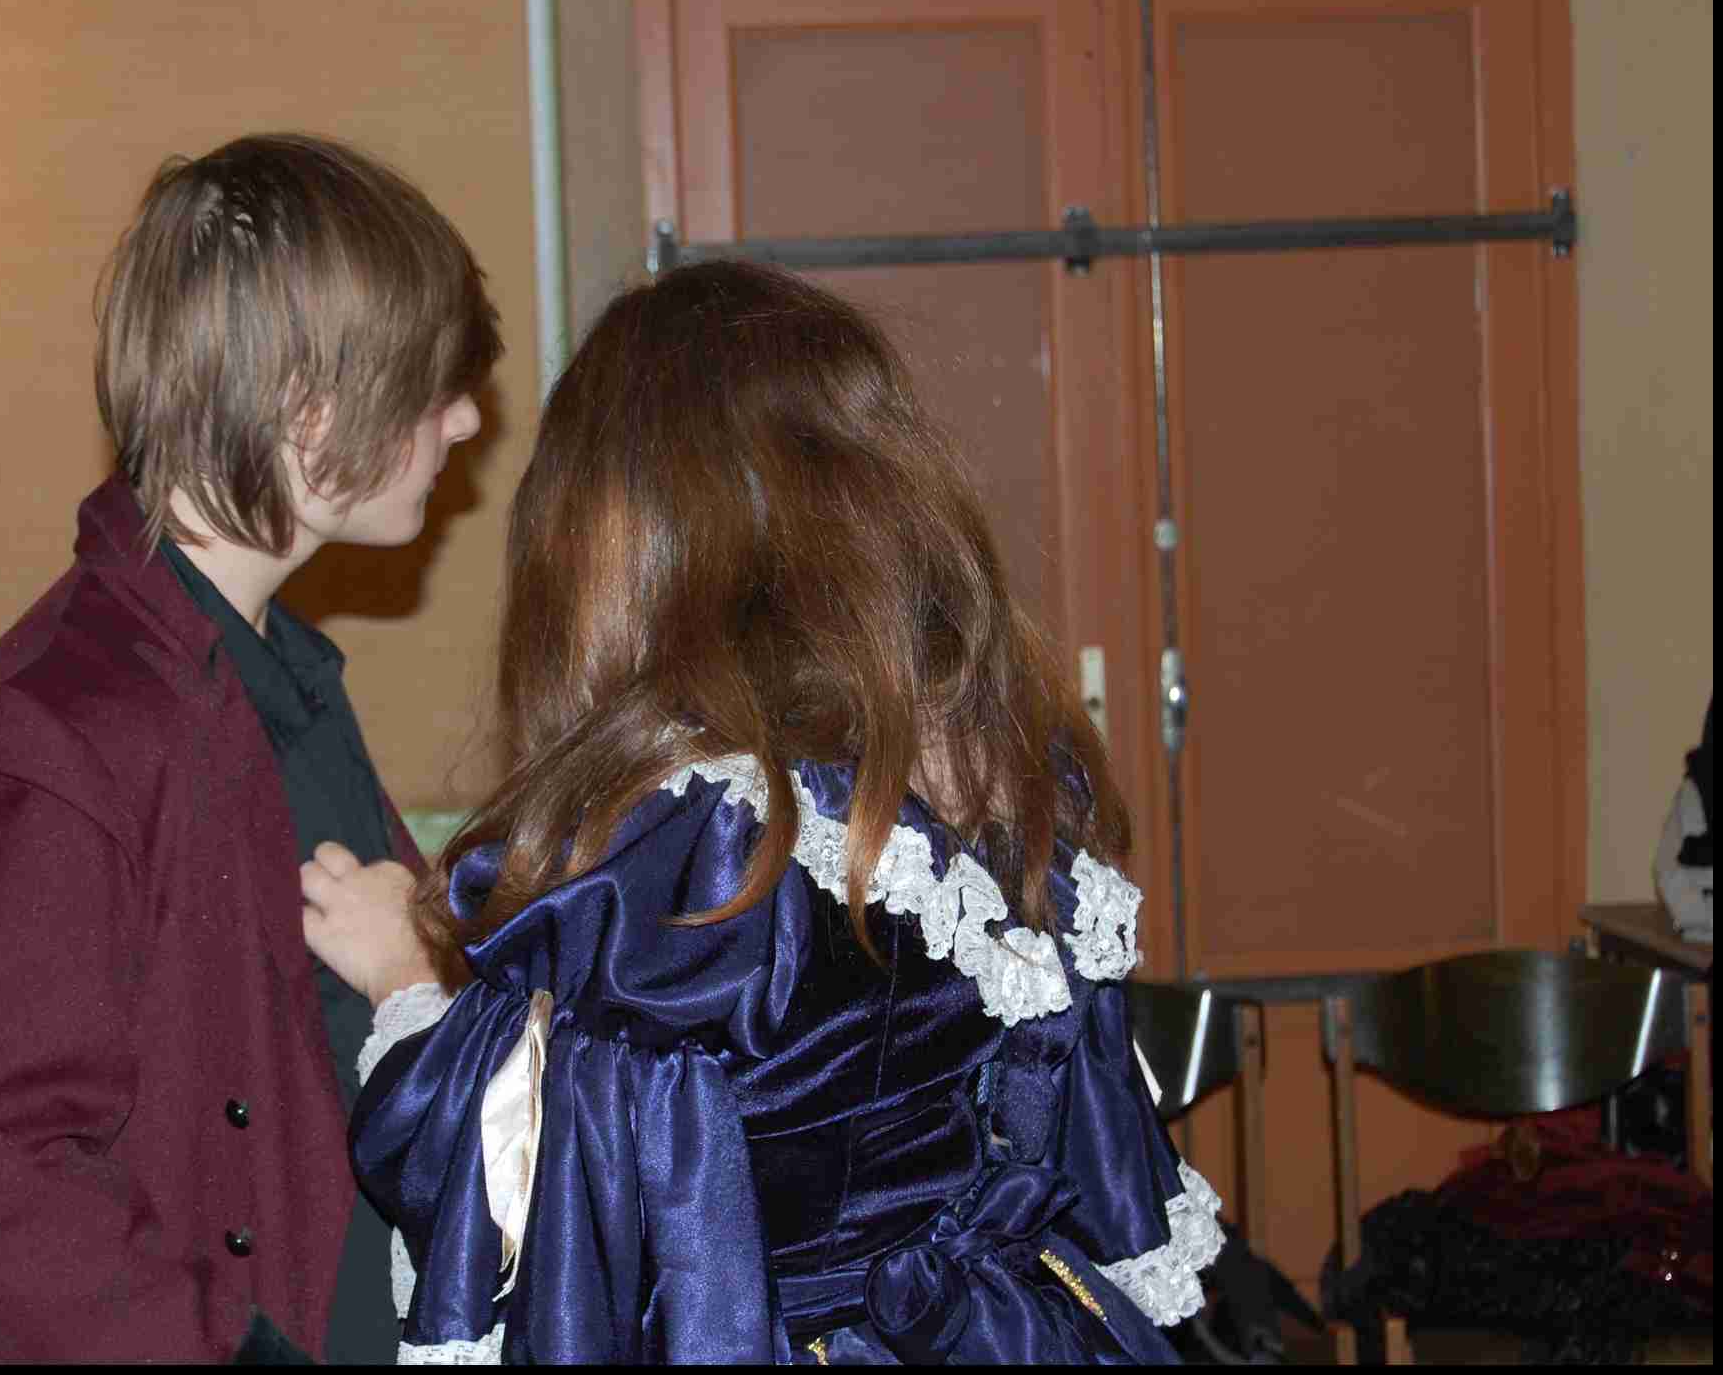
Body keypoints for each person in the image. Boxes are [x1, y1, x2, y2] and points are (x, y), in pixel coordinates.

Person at [301, 261, 1224, 1363]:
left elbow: (534, 1186)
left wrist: (402, 980)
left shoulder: (715, 844)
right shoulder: (995, 758)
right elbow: (1069, 1141)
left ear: (621, 535)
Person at [0, 132, 501, 1363]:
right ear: (308, 409)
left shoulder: (274, 675)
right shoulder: (55, 725)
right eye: (431, 385)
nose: (468, 416)